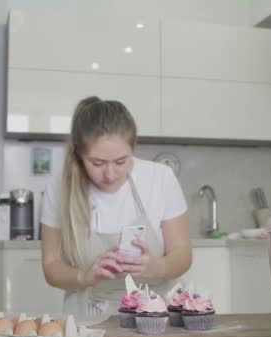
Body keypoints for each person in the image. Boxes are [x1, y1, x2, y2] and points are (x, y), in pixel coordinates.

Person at [40, 96, 191, 316]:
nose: (110, 174)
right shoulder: (59, 187)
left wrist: (158, 267)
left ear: (133, 148)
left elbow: (183, 253)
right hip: (86, 317)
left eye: (121, 161)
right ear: (79, 154)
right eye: (97, 163)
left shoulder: (160, 178)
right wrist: (84, 276)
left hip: (157, 316)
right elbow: (51, 265)